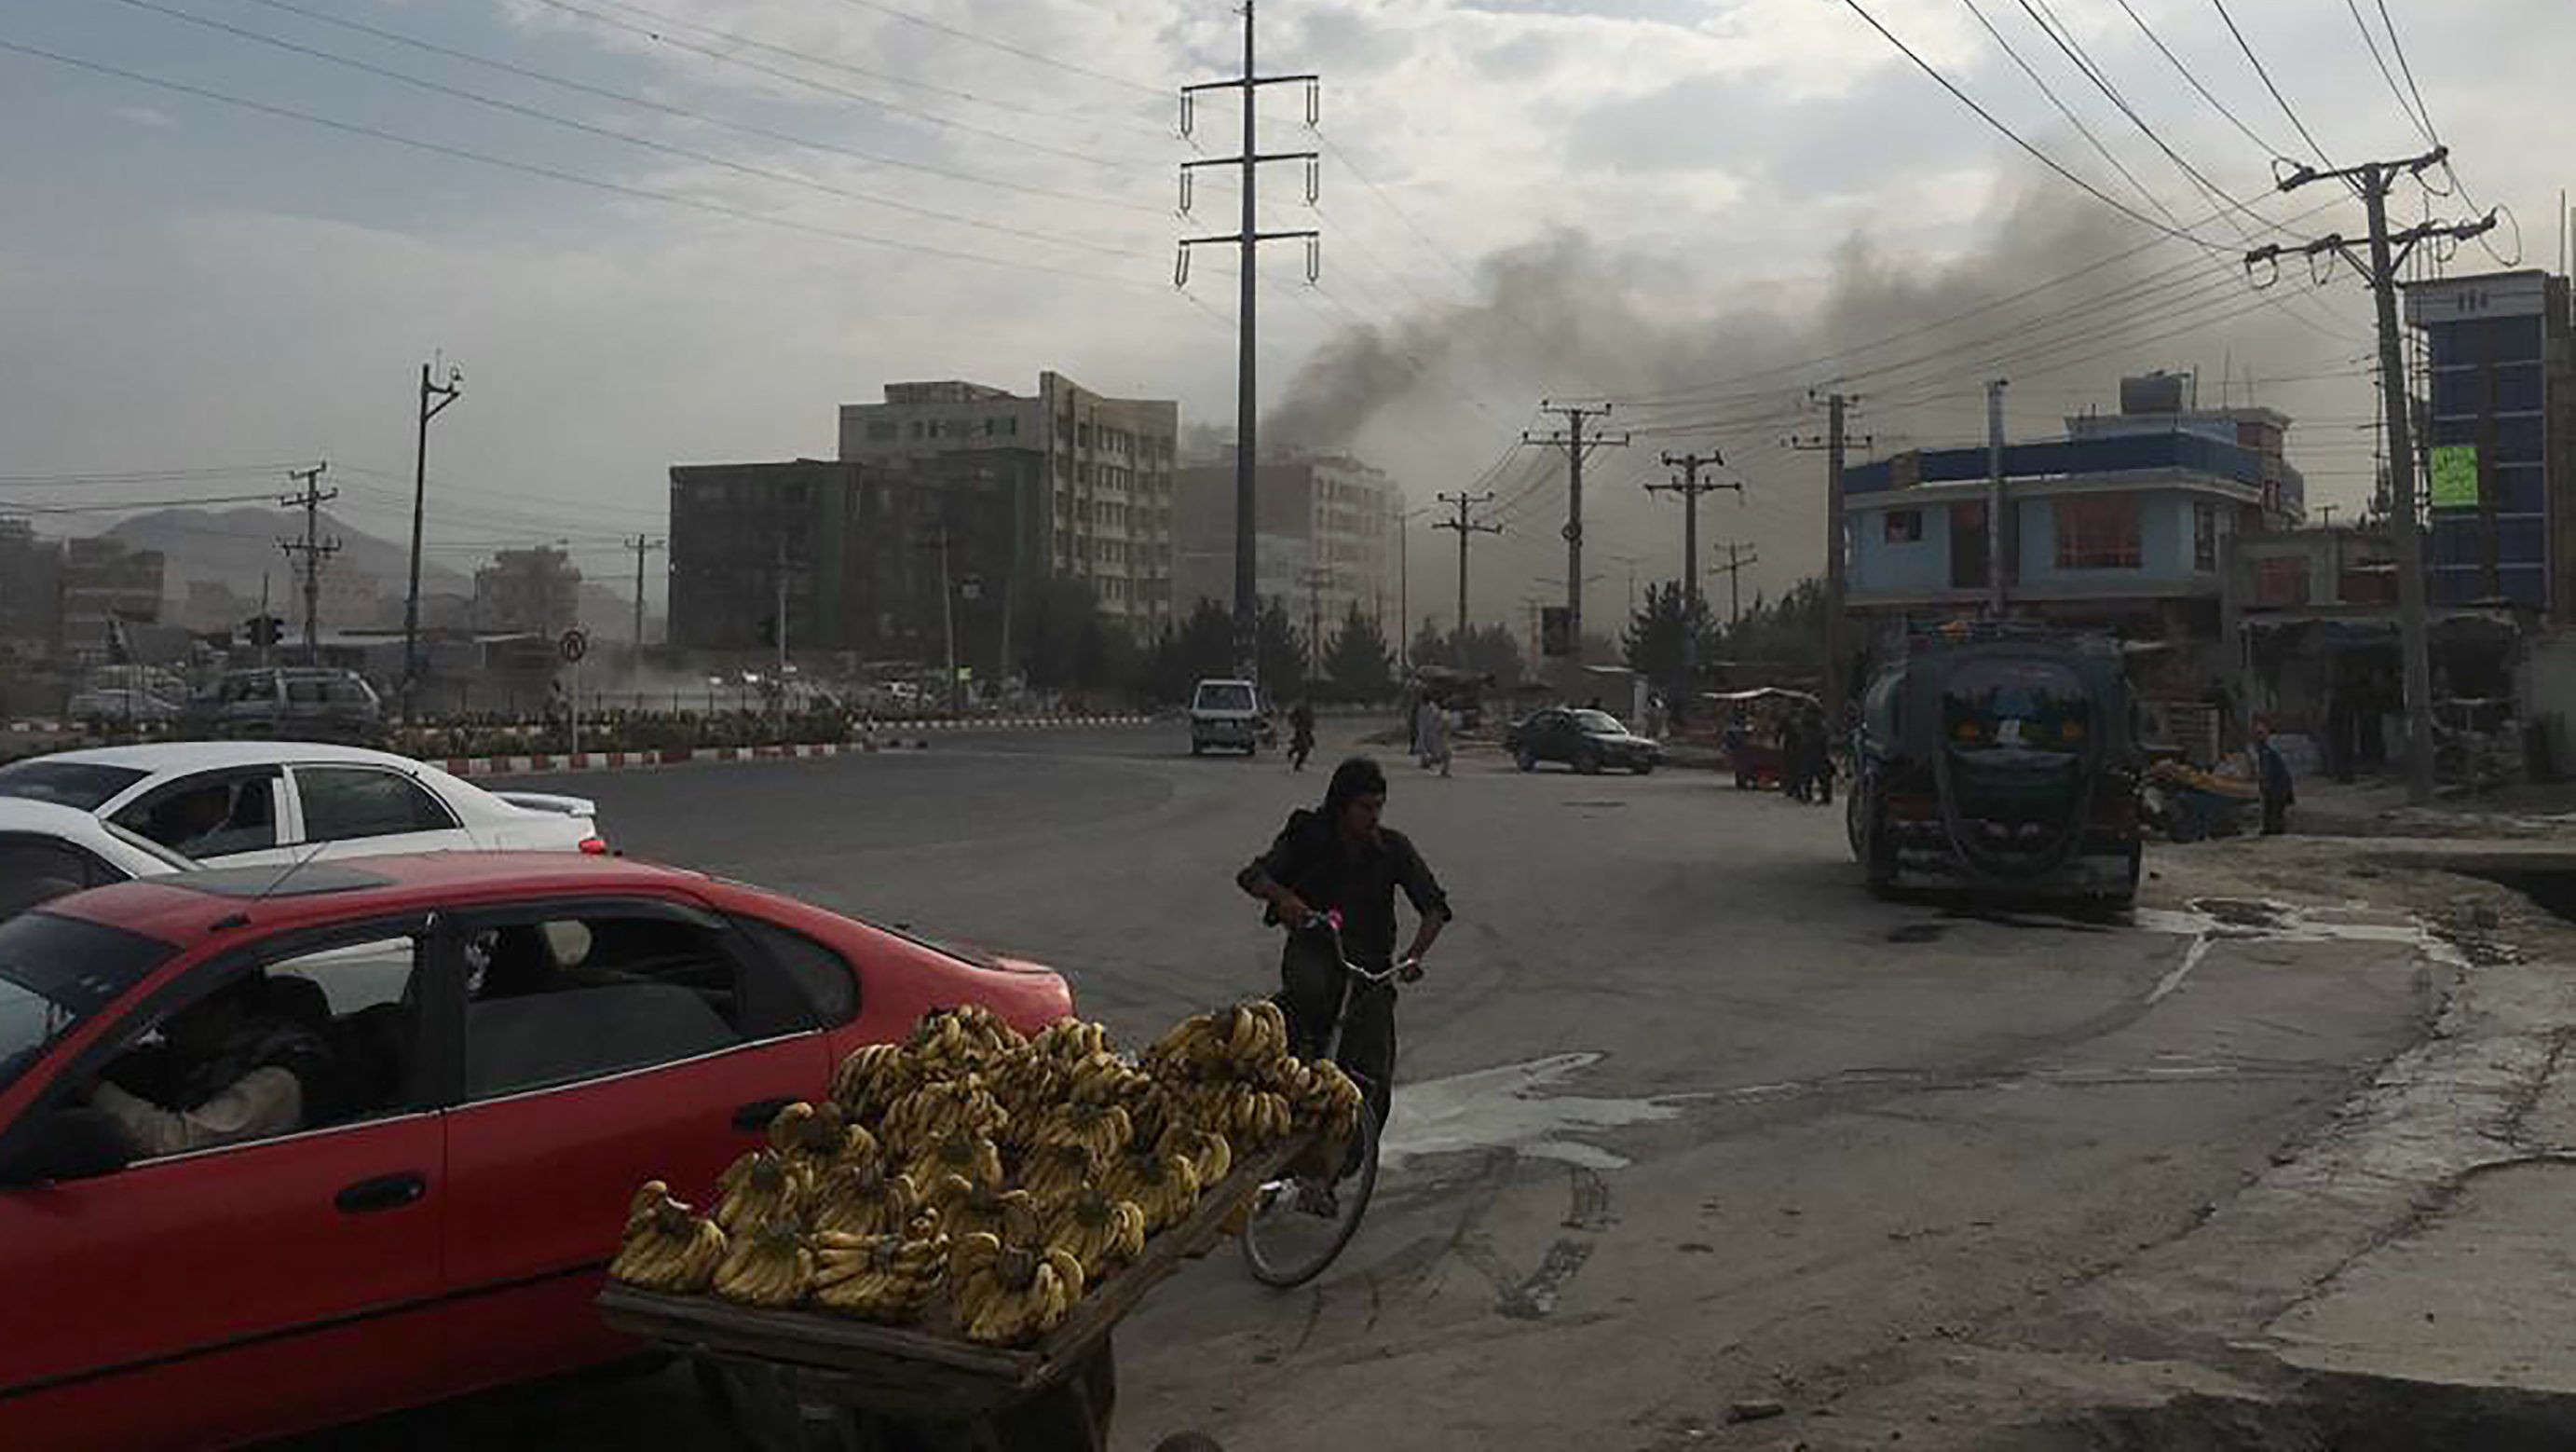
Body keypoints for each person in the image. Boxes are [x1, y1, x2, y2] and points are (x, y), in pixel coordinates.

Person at [1236, 757, 1451, 1133]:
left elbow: (1433, 906)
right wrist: (1283, 897)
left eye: (1378, 807)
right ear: (1341, 806)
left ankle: (1349, 1159)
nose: (1373, 817)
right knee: (1305, 998)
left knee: (1375, 1067)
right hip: (1317, 953)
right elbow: (1253, 875)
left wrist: (1415, 955)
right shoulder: (1308, 836)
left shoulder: (1393, 849)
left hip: (1371, 967)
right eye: (1364, 808)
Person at [88, 973, 336, 1157]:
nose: (164, 1028)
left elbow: (177, 1144)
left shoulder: (277, 1081)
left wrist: (93, 1089)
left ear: (229, 1012)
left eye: (182, 1015)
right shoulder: (219, 1057)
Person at [2252, 713, 2294, 835]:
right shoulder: (2265, 747)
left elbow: (2267, 770)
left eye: (2260, 732)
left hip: (2278, 786)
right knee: (2271, 811)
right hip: (2278, 785)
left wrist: (2263, 784)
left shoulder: (2267, 748)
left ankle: (2273, 831)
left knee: (2273, 811)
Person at [1288, 698, 1316, 774]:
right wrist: (1295, 724)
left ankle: (1292, 751)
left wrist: (1311, 727)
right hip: (1301, 729)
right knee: (1304, 747)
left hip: (1307, 729)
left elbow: (1311, 720)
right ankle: (1297, 764)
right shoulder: (1300, 708)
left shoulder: (1309, 709)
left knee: (1308, 744)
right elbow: (1291, 716)